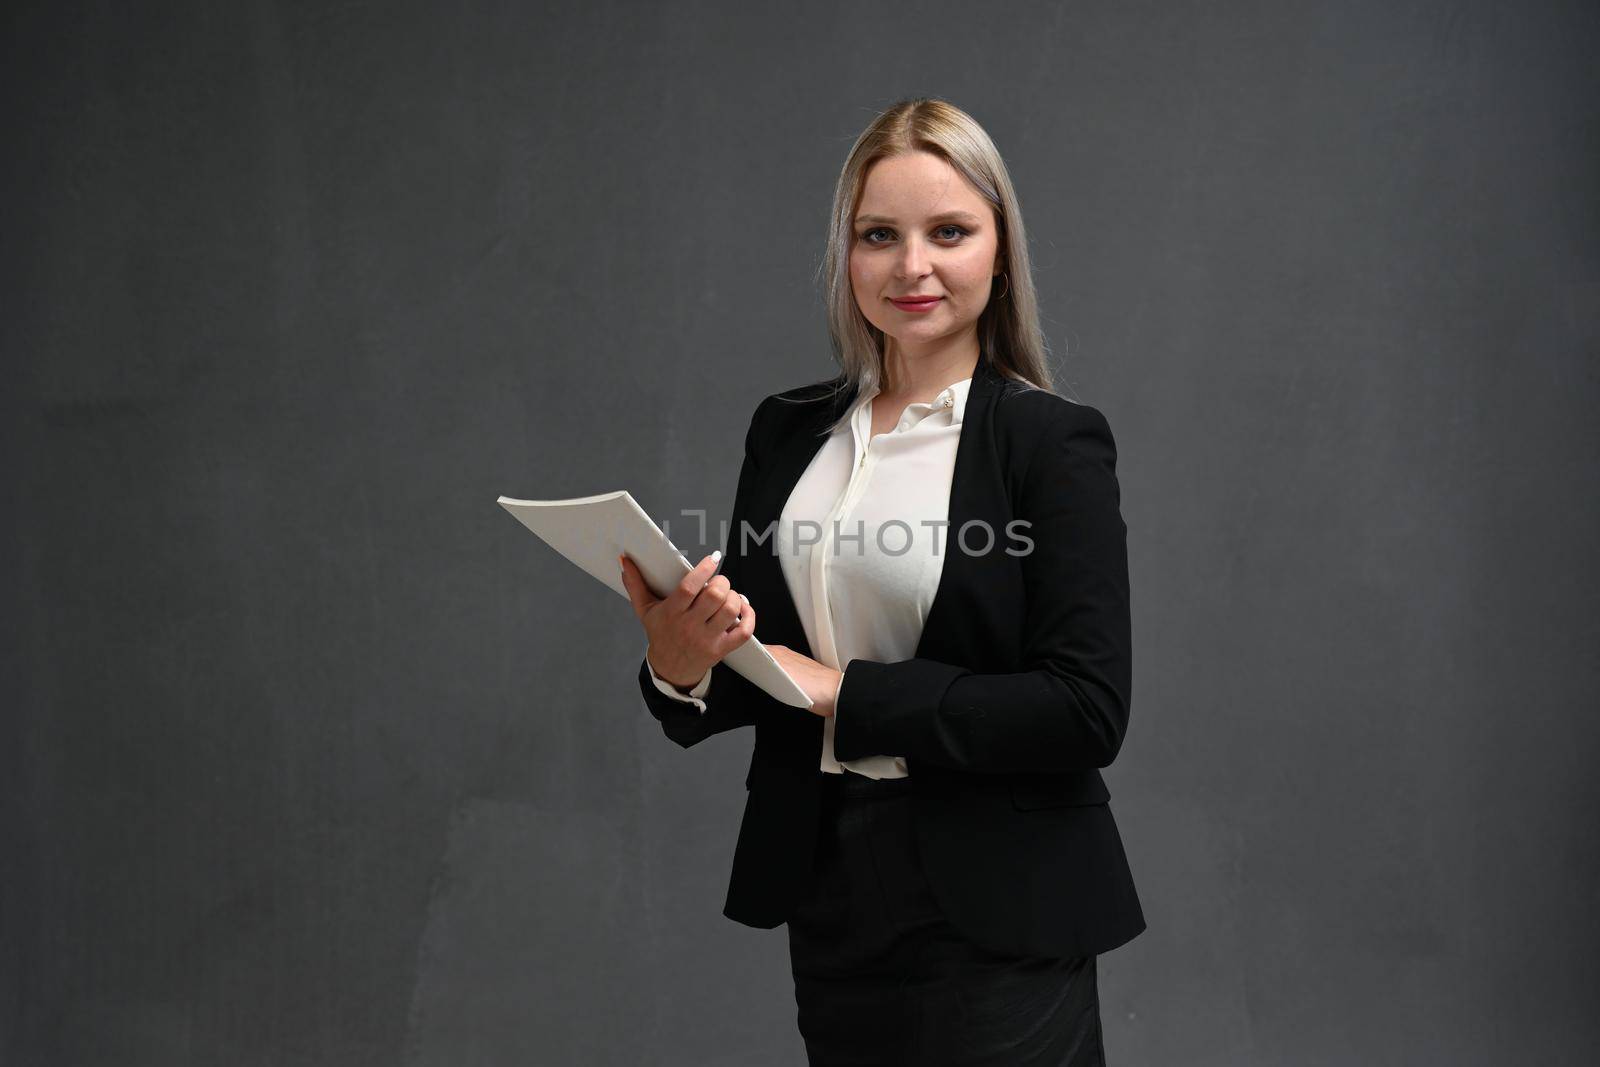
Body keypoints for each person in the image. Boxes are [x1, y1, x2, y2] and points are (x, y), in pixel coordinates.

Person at [618, 97, 1144, 1066]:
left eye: (949, 231)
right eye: (878, 235)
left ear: (999, 250)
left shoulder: (1049, 441)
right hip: (827, 881)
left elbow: (1083, 707)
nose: (911, 266)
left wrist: (844, 689)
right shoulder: (789, 430)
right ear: (845, 254)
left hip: (1001, 896)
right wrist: (679, 662)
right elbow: (761, 652)